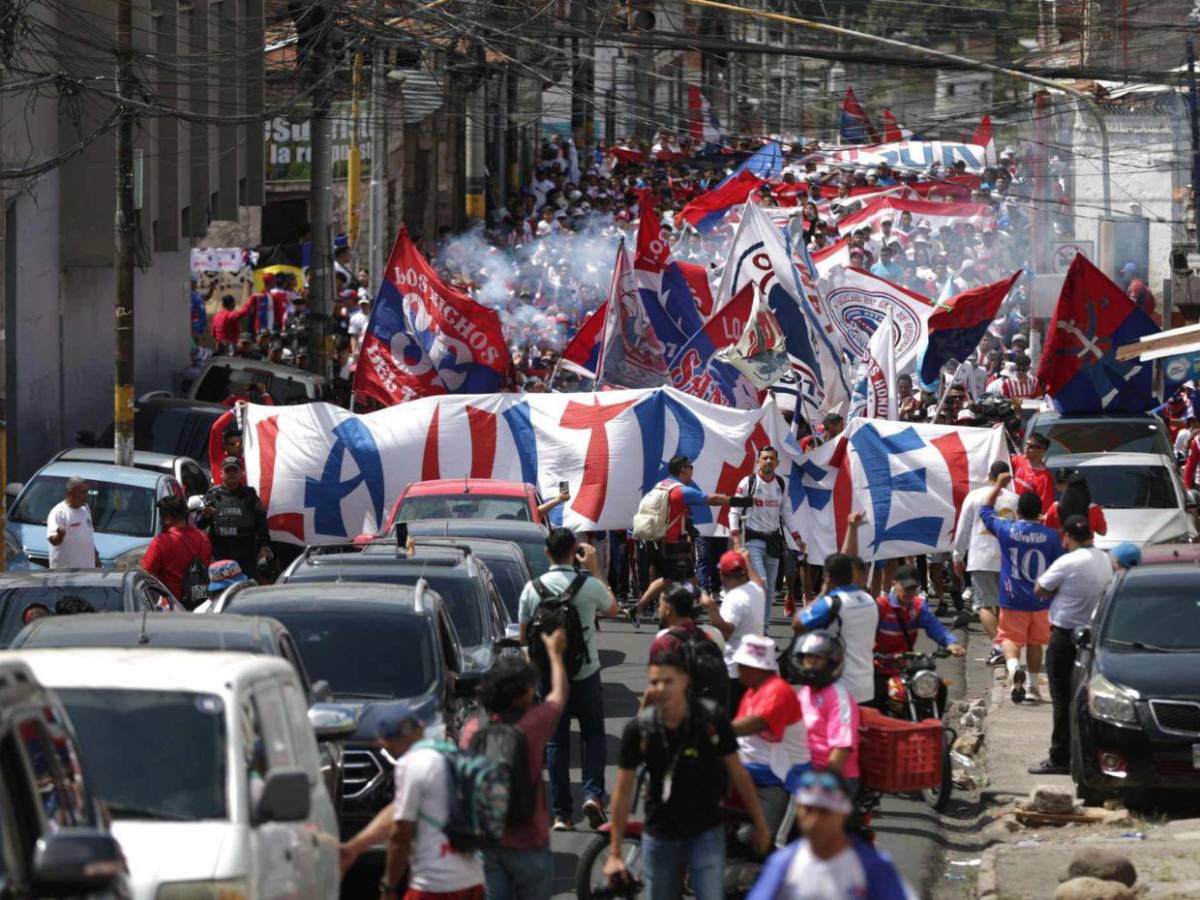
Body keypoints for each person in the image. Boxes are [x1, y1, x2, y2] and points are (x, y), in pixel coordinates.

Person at [605, 650, 771, 900]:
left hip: (705, 834)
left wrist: (760, 824)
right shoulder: (639, 730)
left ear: (685, 680)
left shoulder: (712, 719)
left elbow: (738, 773)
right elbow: (622, 790)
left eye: (668, 681)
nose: (661, 688)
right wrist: (615, 852)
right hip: (659, 837)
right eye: (654, 682)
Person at [517, 527, 618, 831]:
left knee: (556, 743)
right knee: (593, 736)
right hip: (586, 672)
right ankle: (593, 795)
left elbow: (523, 638)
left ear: (547, 553)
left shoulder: (532, 589)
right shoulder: (588, 585)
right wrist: (596, 569)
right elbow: (612, 608)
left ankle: (562, 814)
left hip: (549, 676)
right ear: (575, 550)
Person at [458, 628, 568, 900]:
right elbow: (559, 696)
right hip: (529, 842)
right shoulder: (533, 724)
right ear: (522, 694)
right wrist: (555, 654)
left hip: (487, 842)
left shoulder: (473, 730)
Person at [339, 706, 485, 900]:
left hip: (435, 884)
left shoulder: (411, 764)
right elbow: (397, 810)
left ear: (387, 742)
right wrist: (354, 848)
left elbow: (400, 837)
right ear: (422, 728)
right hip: (474, 879)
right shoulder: (453, 755)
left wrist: (388, 887)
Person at [1028, 515, 1113, 775]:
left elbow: (1040, 588)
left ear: (1068, 536)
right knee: (1087, 699)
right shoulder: (1105, 559)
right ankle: (1087, 754)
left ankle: (1060, 757)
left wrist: (1058, 591)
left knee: (1062, 699)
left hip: (1065, 636)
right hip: (1093, 637)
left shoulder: (1067, 562)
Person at [746, 772, 915, 900]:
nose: (814, 821)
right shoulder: (784, 863)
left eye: (824, 812)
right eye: (808, 810)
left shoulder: (872, 866)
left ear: (844, 813)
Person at [980, 476, 1062, 704]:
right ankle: (1033, 687)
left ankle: (1014, 666)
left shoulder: (1007, 529)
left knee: (1008, 639)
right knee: (1036, 643)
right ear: (1039, 511)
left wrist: (998, 486)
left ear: (1019, 510)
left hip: (1012, 597)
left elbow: (985, 511)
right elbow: (1059, 567)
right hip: (1041, 599)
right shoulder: (1051, 536)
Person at [731, 634, 811, 845]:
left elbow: (754, 724)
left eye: (742, 665)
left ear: (756, 667)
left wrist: (709, 730)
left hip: (782, 780)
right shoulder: (752, 691)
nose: (737, 669)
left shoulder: (778, 691)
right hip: (751, 774)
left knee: (765, 843)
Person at [793, 514, 880, 705]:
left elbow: (798, 623)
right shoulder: (868, 599)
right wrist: (852, 528)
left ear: (827, 577)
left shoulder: (831, 603)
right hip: (866, 688)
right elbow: (848, 561)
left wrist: (823, 592)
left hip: (838, 690)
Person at [633, 455, 733, 621]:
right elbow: (712, 500)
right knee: (688, 581)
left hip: (657, 541)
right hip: (672, 545)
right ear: (683, 470)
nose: (692, 471)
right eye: (690, 467)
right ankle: (686, 612)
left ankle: (640, 608)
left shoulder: (662, 485)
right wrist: (737, 501)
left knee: (668, 580)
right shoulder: (681, 490)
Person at [730, 446, 803, 635]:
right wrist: (736, 540)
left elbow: (786, 512)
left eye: (772, 459)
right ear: (758, 462)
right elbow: (734, 511)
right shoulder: (748, 483)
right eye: (764, 458)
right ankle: (750, 628)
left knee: (770, 592)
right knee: (761, 583)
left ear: (777, 463)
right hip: (753, 540)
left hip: (774, 542)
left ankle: (762, 632)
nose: (768, 462)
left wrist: (796, 536)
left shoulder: (780, 483)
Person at [953, 461, 1017, 667]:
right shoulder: (1015, 499)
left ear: (989, 475)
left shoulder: (974, 496)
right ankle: (1003, 647)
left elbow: (963, 528)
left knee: (984, 605)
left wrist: (957, 556)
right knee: (1000, 604)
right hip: (1008, 558)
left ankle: (999, 647)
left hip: (981, 557)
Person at [872, 566, 965, 706]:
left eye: (913, 588)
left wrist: (951, 643)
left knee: (938, 688)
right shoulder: (880, 606)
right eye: (905, 588)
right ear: (893, 584)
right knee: (875, 699)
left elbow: (934, 626)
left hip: (907, 667)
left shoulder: (918, 606)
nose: (909, 592)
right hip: (880, 667)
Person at [792, 633, 860, 795]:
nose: (811, 663)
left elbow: (841, 749)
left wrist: (823, 785)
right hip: (803, 768)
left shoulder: (838, 696)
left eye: (818, 658)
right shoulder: (805, 692)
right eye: (808, 657)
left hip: (833, 777)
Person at [700, 550, 766, 714]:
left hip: (735, 671)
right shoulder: (756, 589)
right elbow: (760, 582)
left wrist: (710, 607)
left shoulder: (734, 598)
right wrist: (747, 561)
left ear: (722, 575)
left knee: (730, 722)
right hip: (756, 666)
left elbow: (726, 633)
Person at [199, 457, 272, 581]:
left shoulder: (250, 495)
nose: (231, 474)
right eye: (228, 471)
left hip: (247, 557)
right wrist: (205, 516)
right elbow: (199, 526)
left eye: (235, 470)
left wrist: (265, 545)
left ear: (241, 473)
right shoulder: (212, 495)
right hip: (220, 556)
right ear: (222, 473)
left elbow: (261, 523)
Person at [141, 495, 213, 604]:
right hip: (201, 603)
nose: (160, 522)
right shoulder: (204, 538)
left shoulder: (161, 541)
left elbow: (146, 575)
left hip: (172, 607)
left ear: (168, 518)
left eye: (161, 517)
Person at [650, 584, 723, 657]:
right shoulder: (715, 634)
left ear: (668, 609)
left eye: (660, 605)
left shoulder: (663, 639)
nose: (659, 609)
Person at [45, 477, 98, 569]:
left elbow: (88, 536)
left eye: (87, 492)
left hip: (87, 572)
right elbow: (54, 541)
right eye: (83, 492)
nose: (86, 495)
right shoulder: (59, 512)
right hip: (66, 574)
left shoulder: (85, 509)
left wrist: (96, 557)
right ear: (71, 493)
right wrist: (60, 535)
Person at [1044, 472, 1107, 537]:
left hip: (1064, 545)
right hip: (1086, 545)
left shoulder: (1054, 508)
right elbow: (1102, 531)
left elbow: (1047, 531)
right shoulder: (1094, 508)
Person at [1010, 432, 1055, 511]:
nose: (1026, 448)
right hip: (1012, 512)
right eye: (1026, 444)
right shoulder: (1020, 460)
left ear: (1042, 450)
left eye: (1031, 446)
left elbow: (1043, 508)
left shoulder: (1044, 478)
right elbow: (1000, 456)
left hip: (1025, 518)